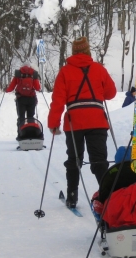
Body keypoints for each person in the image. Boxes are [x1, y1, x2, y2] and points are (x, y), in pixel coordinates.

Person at [47, 37, 117, 209]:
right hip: (97, 121)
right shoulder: (99, 69)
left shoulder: (65, 72)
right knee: (99, 160)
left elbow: (58, 100)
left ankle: (72, 196)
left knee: (74, 160)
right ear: (87, 51)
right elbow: (111, 93)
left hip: (74, 122)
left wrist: (53, 123)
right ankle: (108, 197)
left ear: (73, 51)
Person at [6, 64, 42, 139]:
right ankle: (30, 134)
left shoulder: (18, 74)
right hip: (31, 99)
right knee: (30, 118)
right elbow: (38, 88)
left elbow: (12, 86)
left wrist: (7, 90)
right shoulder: (33, 74)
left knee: (21, 118)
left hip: (21, 98)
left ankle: (20, 134)